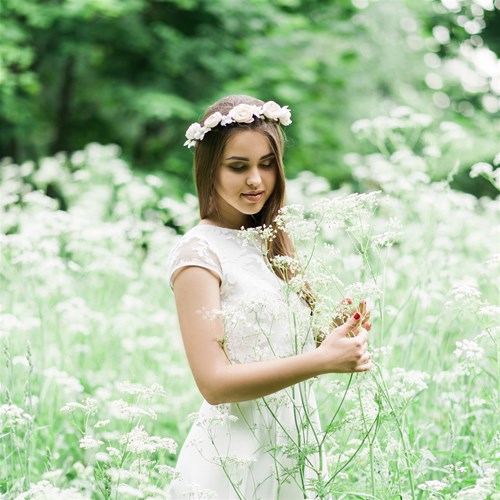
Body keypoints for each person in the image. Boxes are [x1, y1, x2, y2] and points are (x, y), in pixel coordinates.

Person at [167, 95, 372, 499]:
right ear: (209, 168)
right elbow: (214, 383)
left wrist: (337, 334)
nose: (256, 180)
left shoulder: (271, 242)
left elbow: (282, 351)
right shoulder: (198, 254)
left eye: (266, 164)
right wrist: (322, 361)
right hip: (235, 457)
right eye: (238, 166)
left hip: (293, 444)